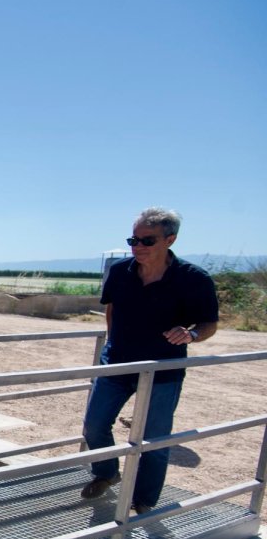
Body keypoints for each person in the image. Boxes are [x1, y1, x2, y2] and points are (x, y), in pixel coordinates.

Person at [80, 207, 219, 514]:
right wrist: (113, 341)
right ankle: (106, 473)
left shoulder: (194, 279)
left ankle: (143, 500)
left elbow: (209, 323)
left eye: (147, 240)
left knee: (154, 440)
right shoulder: (120, 272)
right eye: (134, 239)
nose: (137, 246)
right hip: (118, 363)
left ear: (170, 240)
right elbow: (112, 310)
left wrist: (192, 335)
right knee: (94, 426)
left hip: (163, 370)